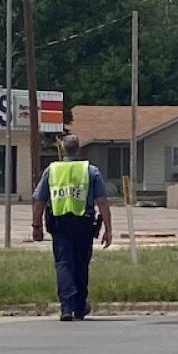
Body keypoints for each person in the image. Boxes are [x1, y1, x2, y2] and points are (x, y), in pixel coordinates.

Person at [32, 135, 111, 321]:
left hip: (59, 223)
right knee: (81, 264)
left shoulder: (52, 170)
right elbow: (102, 202)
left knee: (64, 264)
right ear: (79, 149)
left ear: (63, 149)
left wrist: (36, 226)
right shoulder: (90, 171)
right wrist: (108, 229)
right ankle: (80, 306)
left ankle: (67, 307)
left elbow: (39, 201)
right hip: (83, 222)